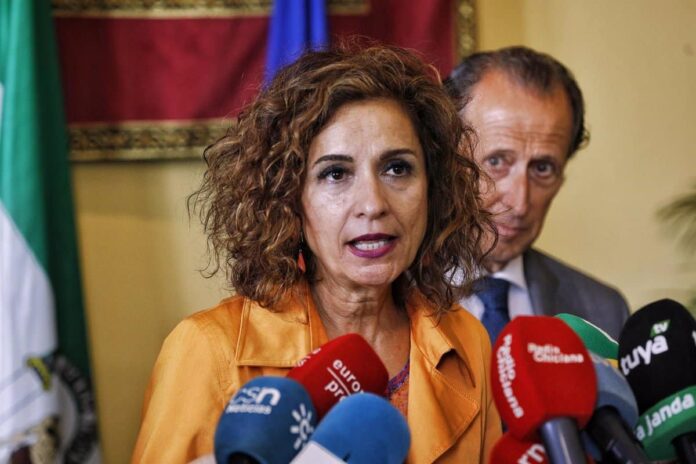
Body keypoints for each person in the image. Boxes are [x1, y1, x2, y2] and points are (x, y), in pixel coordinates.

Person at [132, 44, 502, 463]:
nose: (373, 203)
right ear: (289, 196)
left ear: (433, 189)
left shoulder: (465, 339)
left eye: (397, 168)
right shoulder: (208, 349)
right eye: (336, 173)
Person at [446, 46, 629, 342]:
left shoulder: (603, 312)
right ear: (447, 158)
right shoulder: (385, 294)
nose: (520, 203)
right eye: (497, 162)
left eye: (543, 168)